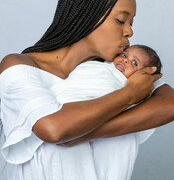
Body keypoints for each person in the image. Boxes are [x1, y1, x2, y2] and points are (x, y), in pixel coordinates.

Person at [0, 0, 174, 180]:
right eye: (121, 20)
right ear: (87, 13)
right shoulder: (20, 66)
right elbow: (54, 129)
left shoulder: (116, 73)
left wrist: (83, 133)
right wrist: (130, 96)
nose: (130, 31)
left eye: (131, 23)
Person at [48, 44, 162, 180]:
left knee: (120, 144)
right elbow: (79, 79)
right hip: (65, 111)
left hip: (85, 126)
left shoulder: (133, 87)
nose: (125, 60)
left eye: (134, 63)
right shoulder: (100, 67)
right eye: (124, 55)